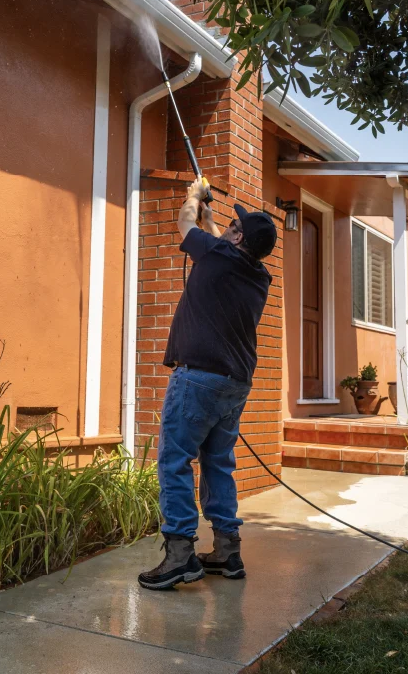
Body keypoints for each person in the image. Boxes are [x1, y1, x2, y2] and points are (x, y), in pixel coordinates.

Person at [138, 179, 276, 591]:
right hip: (235, 384)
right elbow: (221, 248)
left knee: (174, 460)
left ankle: (180, 554)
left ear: (237, 238)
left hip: (198, 377)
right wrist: (215, 222)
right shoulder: (258, 275)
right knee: (218, 462)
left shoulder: (217, 255)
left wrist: (194, 197)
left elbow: (184, 223)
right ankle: (227, 552)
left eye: (235, 228)